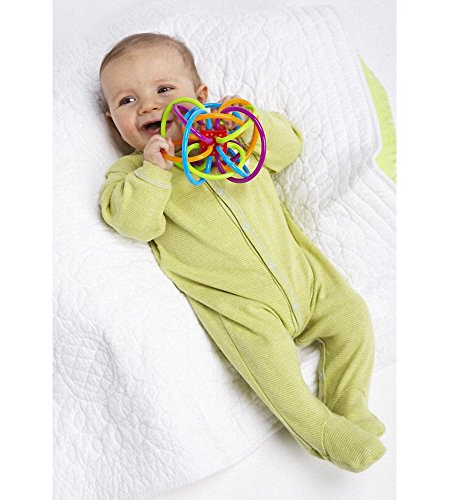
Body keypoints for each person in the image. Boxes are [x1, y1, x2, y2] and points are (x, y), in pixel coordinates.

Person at [98, 33, 386, 472]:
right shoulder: (130, 174)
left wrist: (247, 124)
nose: (149, 107)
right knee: (275, 377)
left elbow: (288, 147)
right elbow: (134, 224)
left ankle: (349, 405)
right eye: (127, 100)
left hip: (306, 281)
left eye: (164, 89)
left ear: (201, 97)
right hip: (241, 308)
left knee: (352, 317)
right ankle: (322, 434)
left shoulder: (235, 139)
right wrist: (154, 171)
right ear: (111, 122)